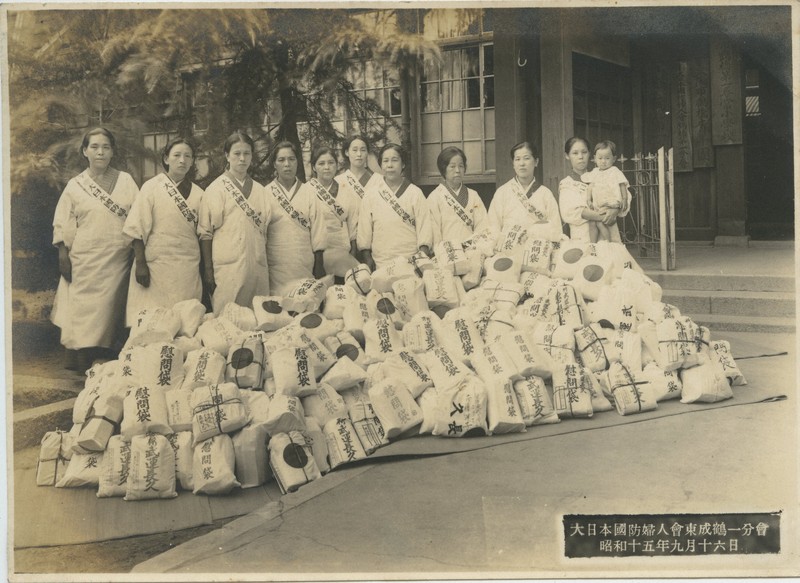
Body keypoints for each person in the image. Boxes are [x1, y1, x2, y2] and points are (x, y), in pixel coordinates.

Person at [51, 127, 139, 372]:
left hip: (118, 257)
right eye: (95, 147)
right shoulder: (75, 185)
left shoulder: (126, 181)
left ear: (113, 152)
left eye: (106, 147)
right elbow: (63, 222)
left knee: (111, 309)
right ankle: (81, 357)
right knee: (83, 309)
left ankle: (106, 356)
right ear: (84, 151)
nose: (100, 152)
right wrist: (63, 254)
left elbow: (138, 218)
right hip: (84, 257)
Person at [123, 137, 203, 324]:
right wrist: (141, 263)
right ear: (166, 159)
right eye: (177, 155)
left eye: (187, 156)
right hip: (155, 265)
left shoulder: (199, 194)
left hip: (186, 266)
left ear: (192, 161)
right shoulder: (151, 187)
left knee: (185, 319)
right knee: (152, 319)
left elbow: (203, 233)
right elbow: (136, 228)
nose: (182, 160)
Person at [197, 130, 271, 314]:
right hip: (228, 266)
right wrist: (208, 271)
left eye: (247, 153)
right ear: (227, 156)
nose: (242, 159)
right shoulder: (216, 189)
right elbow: (205, 233)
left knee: (258, 318)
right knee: (228, 320)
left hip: (256, 265)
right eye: (237, 153)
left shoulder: (261, 191)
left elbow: (266, 230)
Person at [265, 140, 327, 296]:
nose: (287, 164)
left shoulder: (309, 192)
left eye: (291, 159)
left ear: (297, 162)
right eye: (281, 160)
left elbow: (318, 231)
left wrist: (319, 266)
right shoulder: (265, 193)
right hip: (275, 264)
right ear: (274, 164)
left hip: (303, 262)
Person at [357, 143, 433, 270]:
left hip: (410, 261)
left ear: (403, 164)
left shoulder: (415, 193)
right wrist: (368, 259)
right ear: (381, 165)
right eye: (385, 161)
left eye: (395, 160)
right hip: (381, 262)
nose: (390, 165)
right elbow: (364, 232)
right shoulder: (371, 194)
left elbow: (424, 228)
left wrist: (421, 259)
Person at [559, 136, 631, 243]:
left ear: (590, 154)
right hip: (583, 238)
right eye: (575, 153)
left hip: (609, 232)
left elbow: (624, 194)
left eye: (584, 152)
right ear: (567, 156)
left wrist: (615, 209)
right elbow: (571, 212)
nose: (580, 157)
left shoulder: (604, 174)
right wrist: (605, 216)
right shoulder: (567, 183)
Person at [487, 141, 563, 242]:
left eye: (526, 158)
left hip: (537, 251)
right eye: (517, 159)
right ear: (513, 164)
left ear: (536, 162)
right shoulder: (502, 192)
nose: (522, 163)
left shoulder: (546, 194)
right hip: (508, 251)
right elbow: (493, 227)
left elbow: (555, 229)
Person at [306, 145, 360, 280]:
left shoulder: (346, 191)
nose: (326, 167)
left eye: (331, 163)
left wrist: (352, 253)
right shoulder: (306, 190)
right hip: (315, 254)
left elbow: (353, 225)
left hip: (342, 251)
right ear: (313, 167)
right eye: (321, 163)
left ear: (336, 165)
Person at [427, 146, 488, 246]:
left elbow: (482, 226)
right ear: (443, 169)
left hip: (472, 250)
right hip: (447, 252)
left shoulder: (473, 195)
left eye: (461, 166)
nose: (457, 170)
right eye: (452, 166)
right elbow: (434, 233)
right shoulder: (435, 197)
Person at [580, 140, 631, 242]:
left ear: (614, 159)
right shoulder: (595, 172)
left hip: (611, 203)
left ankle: (608, 241)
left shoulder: (615, 171)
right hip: (599, 204)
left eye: (607, 158)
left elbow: (622, 185)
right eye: (600, 158)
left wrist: (624, 199)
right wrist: (589, 200)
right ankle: (593, 244)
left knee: (601, 222)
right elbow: (590, 186)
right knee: (592, 222)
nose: (603, 161)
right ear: (594, 159)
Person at [335, 135, 381, 204]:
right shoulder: (338, 181)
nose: (359, 154)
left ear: (367, 153)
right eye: (355, 150)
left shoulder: (378, 180)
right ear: (347, 152)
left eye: (363, 150)